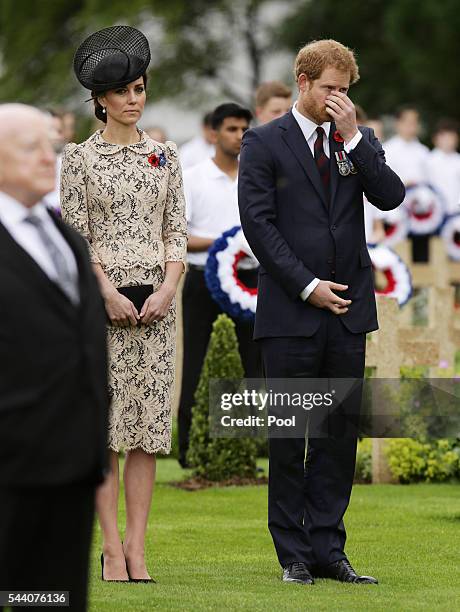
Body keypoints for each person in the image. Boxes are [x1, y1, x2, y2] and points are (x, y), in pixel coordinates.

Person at [238, 39, 405, 585]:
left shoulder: (356, 139)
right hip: (291, 311)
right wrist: (307, 285)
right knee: (290, 436)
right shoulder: (263, 141)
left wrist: (356, 137)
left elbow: (390, 196)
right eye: (330, 88)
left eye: (345, 90)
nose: (338, 99)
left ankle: (330, 549)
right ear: (303, 81)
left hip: (349, 311)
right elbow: (258, 224)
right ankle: (293, 555)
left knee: (337, 437)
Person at [61, 26, 187, 583]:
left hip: (159, 305)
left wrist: (167, 290)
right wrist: (106, 291)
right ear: (100, 100)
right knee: (107, 429)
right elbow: (76, 233)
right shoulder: (78, 159)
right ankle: (110, 549)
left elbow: (176, 234)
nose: (135, 99)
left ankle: (138, 548)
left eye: (140, 88)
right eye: (124, 91)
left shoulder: (166, 155)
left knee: (147, 432)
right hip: (102, 301)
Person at [0, 104, 108, 611]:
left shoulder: (64, 237)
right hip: (11, 463)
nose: (49, 158)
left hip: (71, 463)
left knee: (51, 599)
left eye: (52, 146)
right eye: (31, 148)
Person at [177, 102, 262, 468]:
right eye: (231, 129)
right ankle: (188, 449)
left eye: (245, 129)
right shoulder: (192, 177)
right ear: (213, 133)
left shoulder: (256, 178)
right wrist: (225, 243)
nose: (239, 136)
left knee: (248, 365)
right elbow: (177, 234)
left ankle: (240, 452)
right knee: (196, 361)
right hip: (203, 278)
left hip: (251, 280)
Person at [384, 106, 430, 260]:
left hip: (420, 212)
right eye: (408, 122)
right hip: (397, 210)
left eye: (415, 122)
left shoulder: (423, 151)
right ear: (398, 124)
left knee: (423, 250)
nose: (412, 126)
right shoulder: (388, 149)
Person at [426, 119, 460, 216]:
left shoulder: (458, 160)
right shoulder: (428, 160)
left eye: (451, 137)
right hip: (434, 215)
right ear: (435, 139)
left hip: (456, 214)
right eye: (444, 137)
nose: (448, 141)